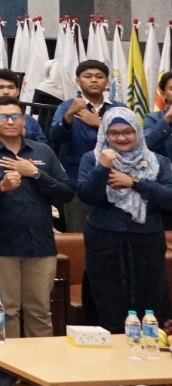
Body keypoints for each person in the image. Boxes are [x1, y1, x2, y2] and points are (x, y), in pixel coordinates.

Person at [0, 82, 74, 361]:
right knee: (7, 310)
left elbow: (66, 194)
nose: (10, 121)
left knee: (40, 309)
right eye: (3, 117)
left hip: (40, 244)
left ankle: (42, 368)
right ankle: (8, 367)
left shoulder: (42, 152)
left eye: (16, 116)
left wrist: (36, 174)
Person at [77, 108, 172, 355]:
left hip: (146, 241)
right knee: (109, 304)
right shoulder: (92, 158)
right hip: (104, 242)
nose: (121, 138)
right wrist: (102, 168)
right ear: (104, 134)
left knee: (149, 305)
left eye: (128, 132)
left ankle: (146, 365)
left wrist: (135, 182)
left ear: (138, 132)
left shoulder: (158, 161)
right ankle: (114, 366)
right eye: (114, 133)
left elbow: (169, 198)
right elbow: (87, 195)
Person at [50, 60, 117, 231]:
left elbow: (133, 141)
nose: (94, 80)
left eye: (99, 77)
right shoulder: (67, 106)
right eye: (88, 76)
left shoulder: (118, 108)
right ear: (78, 81)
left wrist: (99, 123)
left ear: (107, 82)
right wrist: (70, 114)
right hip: (78, 181)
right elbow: (55, 138)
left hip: (115, 181)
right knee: (80, 235)